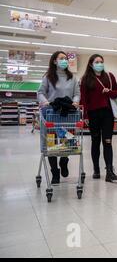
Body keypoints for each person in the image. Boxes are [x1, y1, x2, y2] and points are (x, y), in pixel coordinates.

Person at [37, 51, 80, 184]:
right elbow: (40, 92)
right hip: (51, 115)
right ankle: (54, 171)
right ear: (54, 61)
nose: (64, 60)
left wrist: (76, 101)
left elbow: (77, 93)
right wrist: (45, 102)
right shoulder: (48, 77)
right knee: (51, 144)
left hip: (67, 116)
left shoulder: (72, 78)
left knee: (67, 141)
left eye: (66, 59)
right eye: (61, 58)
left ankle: (64, 160)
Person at [80, 54, 117, 182]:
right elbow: (83, 99)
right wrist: (85, 115)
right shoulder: (86, 79)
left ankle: (109, 171)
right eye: (97, 62)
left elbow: (116, 93)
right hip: (93, 114)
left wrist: (108, 92)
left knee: (107, 142)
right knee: (95, 141)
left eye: (101, 61)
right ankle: (96, 169)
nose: (100, 64)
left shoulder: (109, 76)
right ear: (91, 64)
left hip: (108, 114)